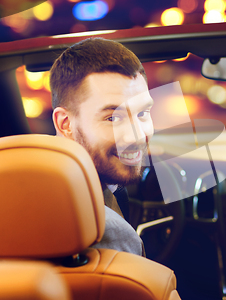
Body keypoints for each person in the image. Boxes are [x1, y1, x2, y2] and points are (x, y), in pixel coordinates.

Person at [50, 37, 154, 256]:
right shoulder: (104, 230)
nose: (138, 135)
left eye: (143, 113)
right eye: (113, 118)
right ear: (65, 123)